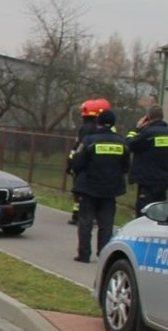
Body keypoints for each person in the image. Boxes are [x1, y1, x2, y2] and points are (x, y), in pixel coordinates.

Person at [70, 110, 129, 263]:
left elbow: (77, 163)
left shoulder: (89, 141)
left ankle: (84, 254)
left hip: (89, 188)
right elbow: (126, 167)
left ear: (99, 123)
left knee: (86, 222)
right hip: (110, 190)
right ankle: (103, 255)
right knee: (106, 223)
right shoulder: (122, 142)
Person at [66, 98, 110, 225]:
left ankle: (80, 215)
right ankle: (84, 215)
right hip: (100, 167)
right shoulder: (106, 130)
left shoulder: (86, 128)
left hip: (85, 164)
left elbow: (79, 148)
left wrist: (71, 164)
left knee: (80, 190)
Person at [125, 104, 168, 216]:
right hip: (163, 180)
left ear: (148, 118)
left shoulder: (147, 133)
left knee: (144, 213)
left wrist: (137, 129)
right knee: (159, 212)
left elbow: (129, 144)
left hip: (147, 180)